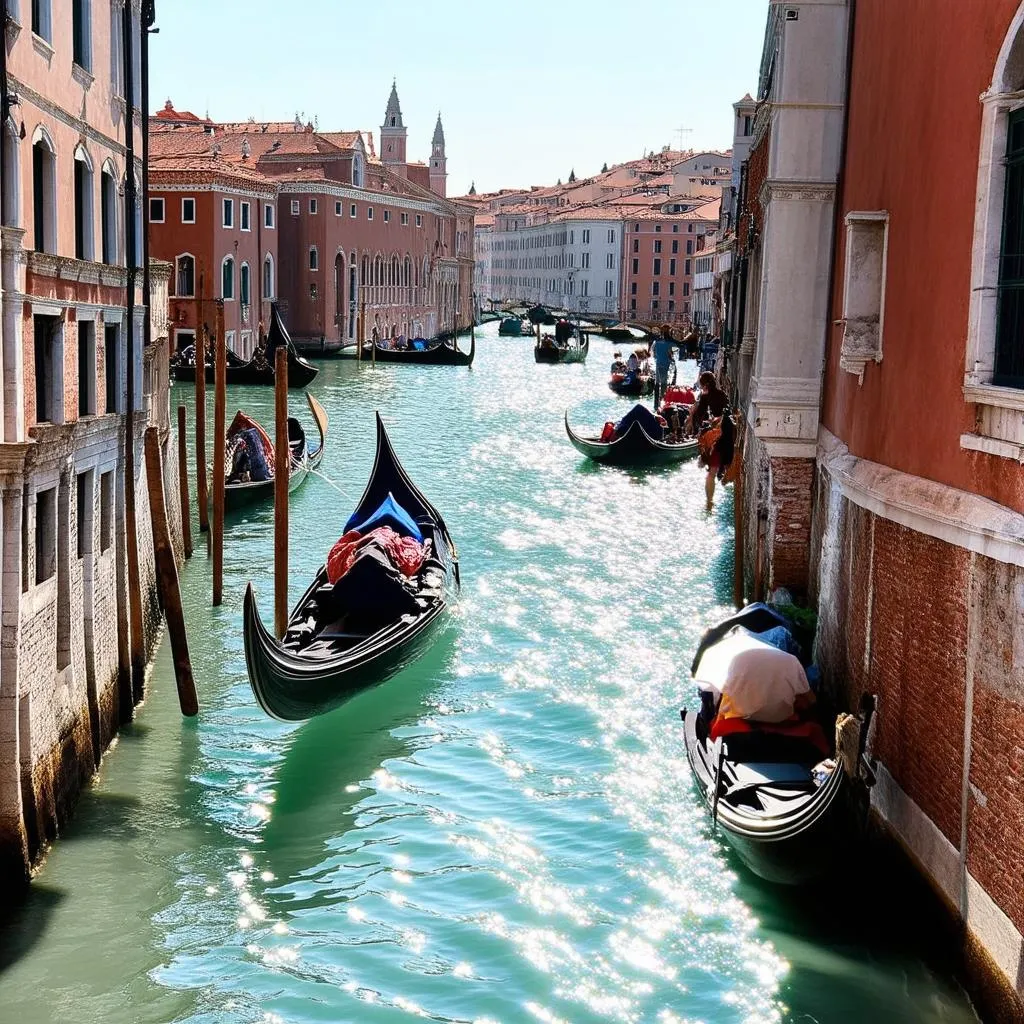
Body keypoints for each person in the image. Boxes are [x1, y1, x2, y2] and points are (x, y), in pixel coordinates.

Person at [689, 371, 731, 507]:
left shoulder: (706, 397)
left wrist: (695, 426)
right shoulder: (722, 395)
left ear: (704, 385)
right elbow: (727, 411)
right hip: (728, 435)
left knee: (712, 472)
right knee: (726, 467)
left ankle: (709, 502)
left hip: (715, 438)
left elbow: (700, 415)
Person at [650, 323, 683, 411]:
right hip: (666, 364)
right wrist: (670, 353)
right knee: (665, 384)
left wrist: (658, 356)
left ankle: (657, 406)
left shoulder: (657, 342)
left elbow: (653, 352)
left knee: (658, 384)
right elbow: (677, 349)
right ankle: (663, 404)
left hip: (659, 364)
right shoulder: (670, 342)